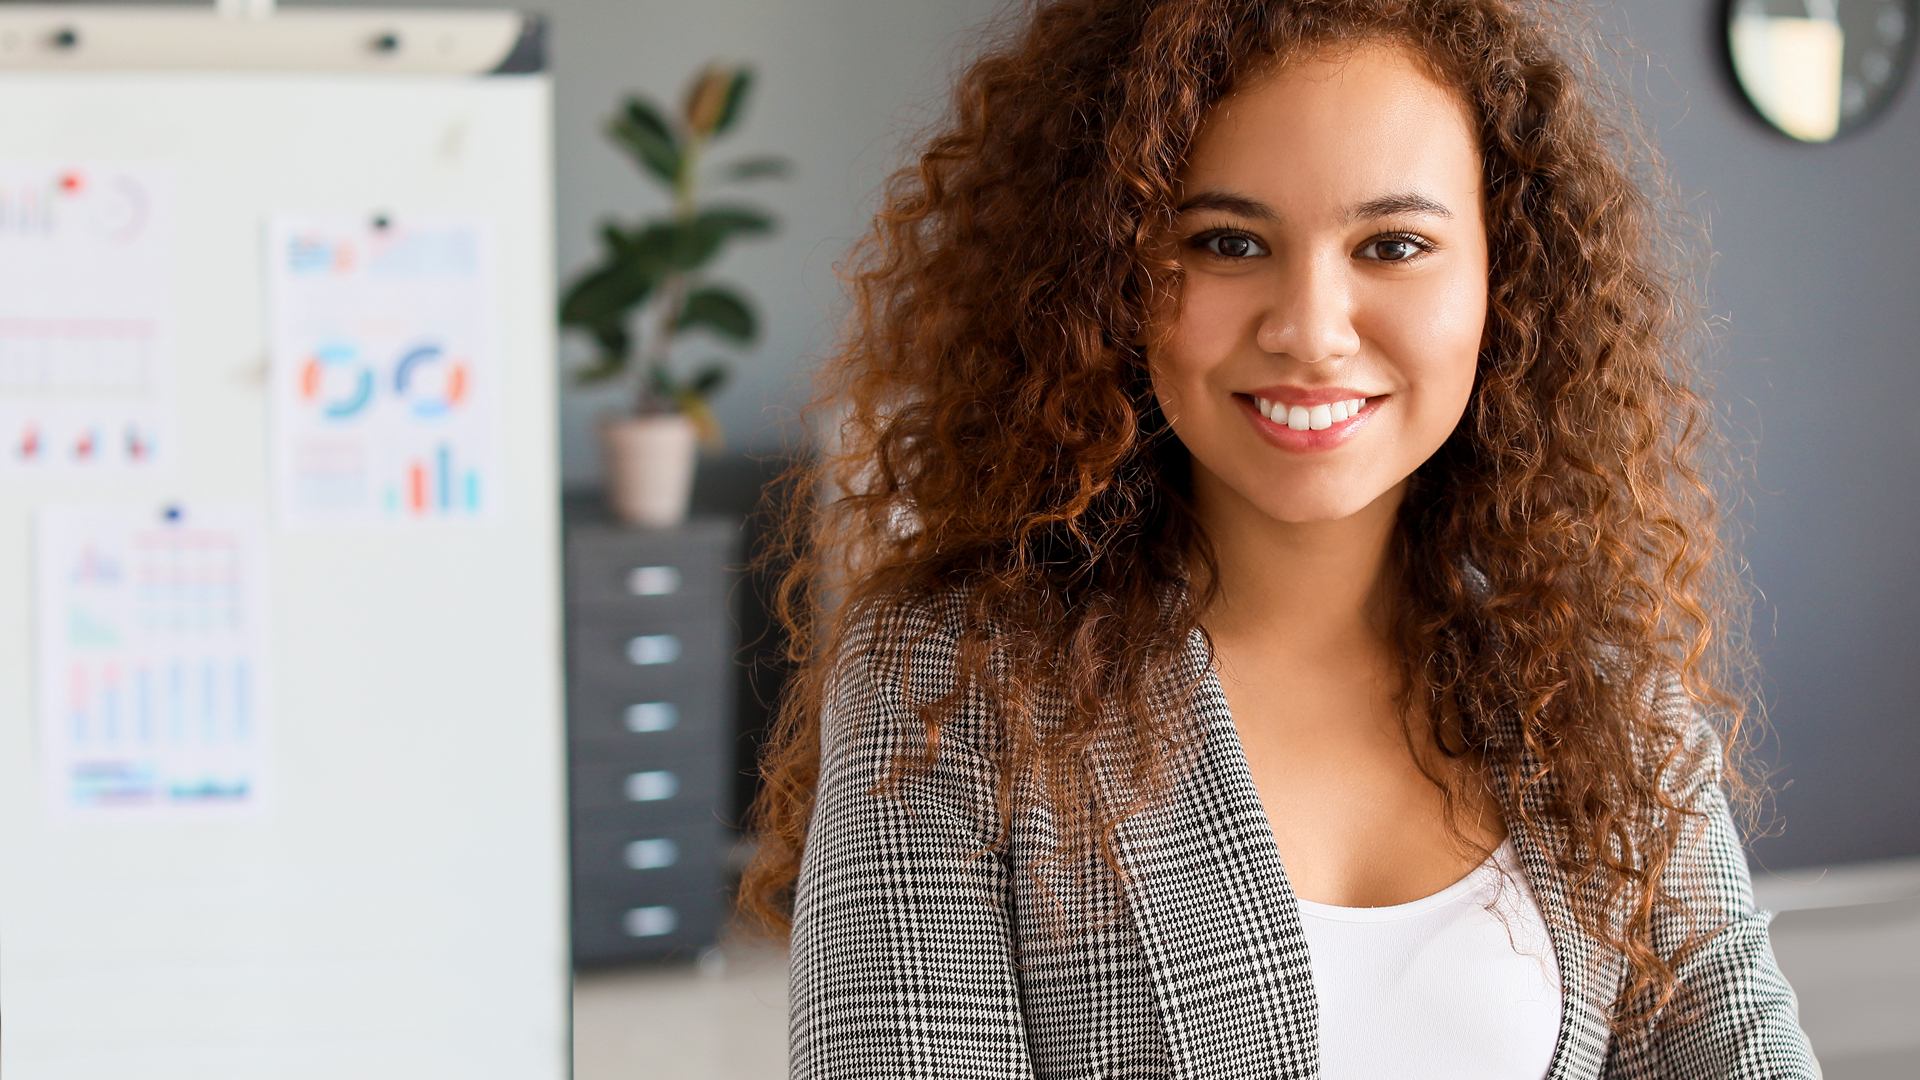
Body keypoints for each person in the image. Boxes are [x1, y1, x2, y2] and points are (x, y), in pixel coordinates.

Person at [741, 1, 1817, 1076]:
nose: (1309, 327)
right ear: (1113, 274)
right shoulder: (951, 687)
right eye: (1227, 243)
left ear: (1507, 276)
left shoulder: (1605, 706)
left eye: (1393, 245)